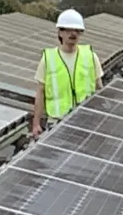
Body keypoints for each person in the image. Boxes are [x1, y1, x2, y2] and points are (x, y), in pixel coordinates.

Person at [32, 9, 103, 137]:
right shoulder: (48, 59)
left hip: (86, 122)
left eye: (77, 30)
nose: (73, 34)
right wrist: (36, 124)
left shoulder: (90, 57)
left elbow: (100, 89)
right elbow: (40, 93)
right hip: (57, 123)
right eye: (69, 30)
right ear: (60, 32)